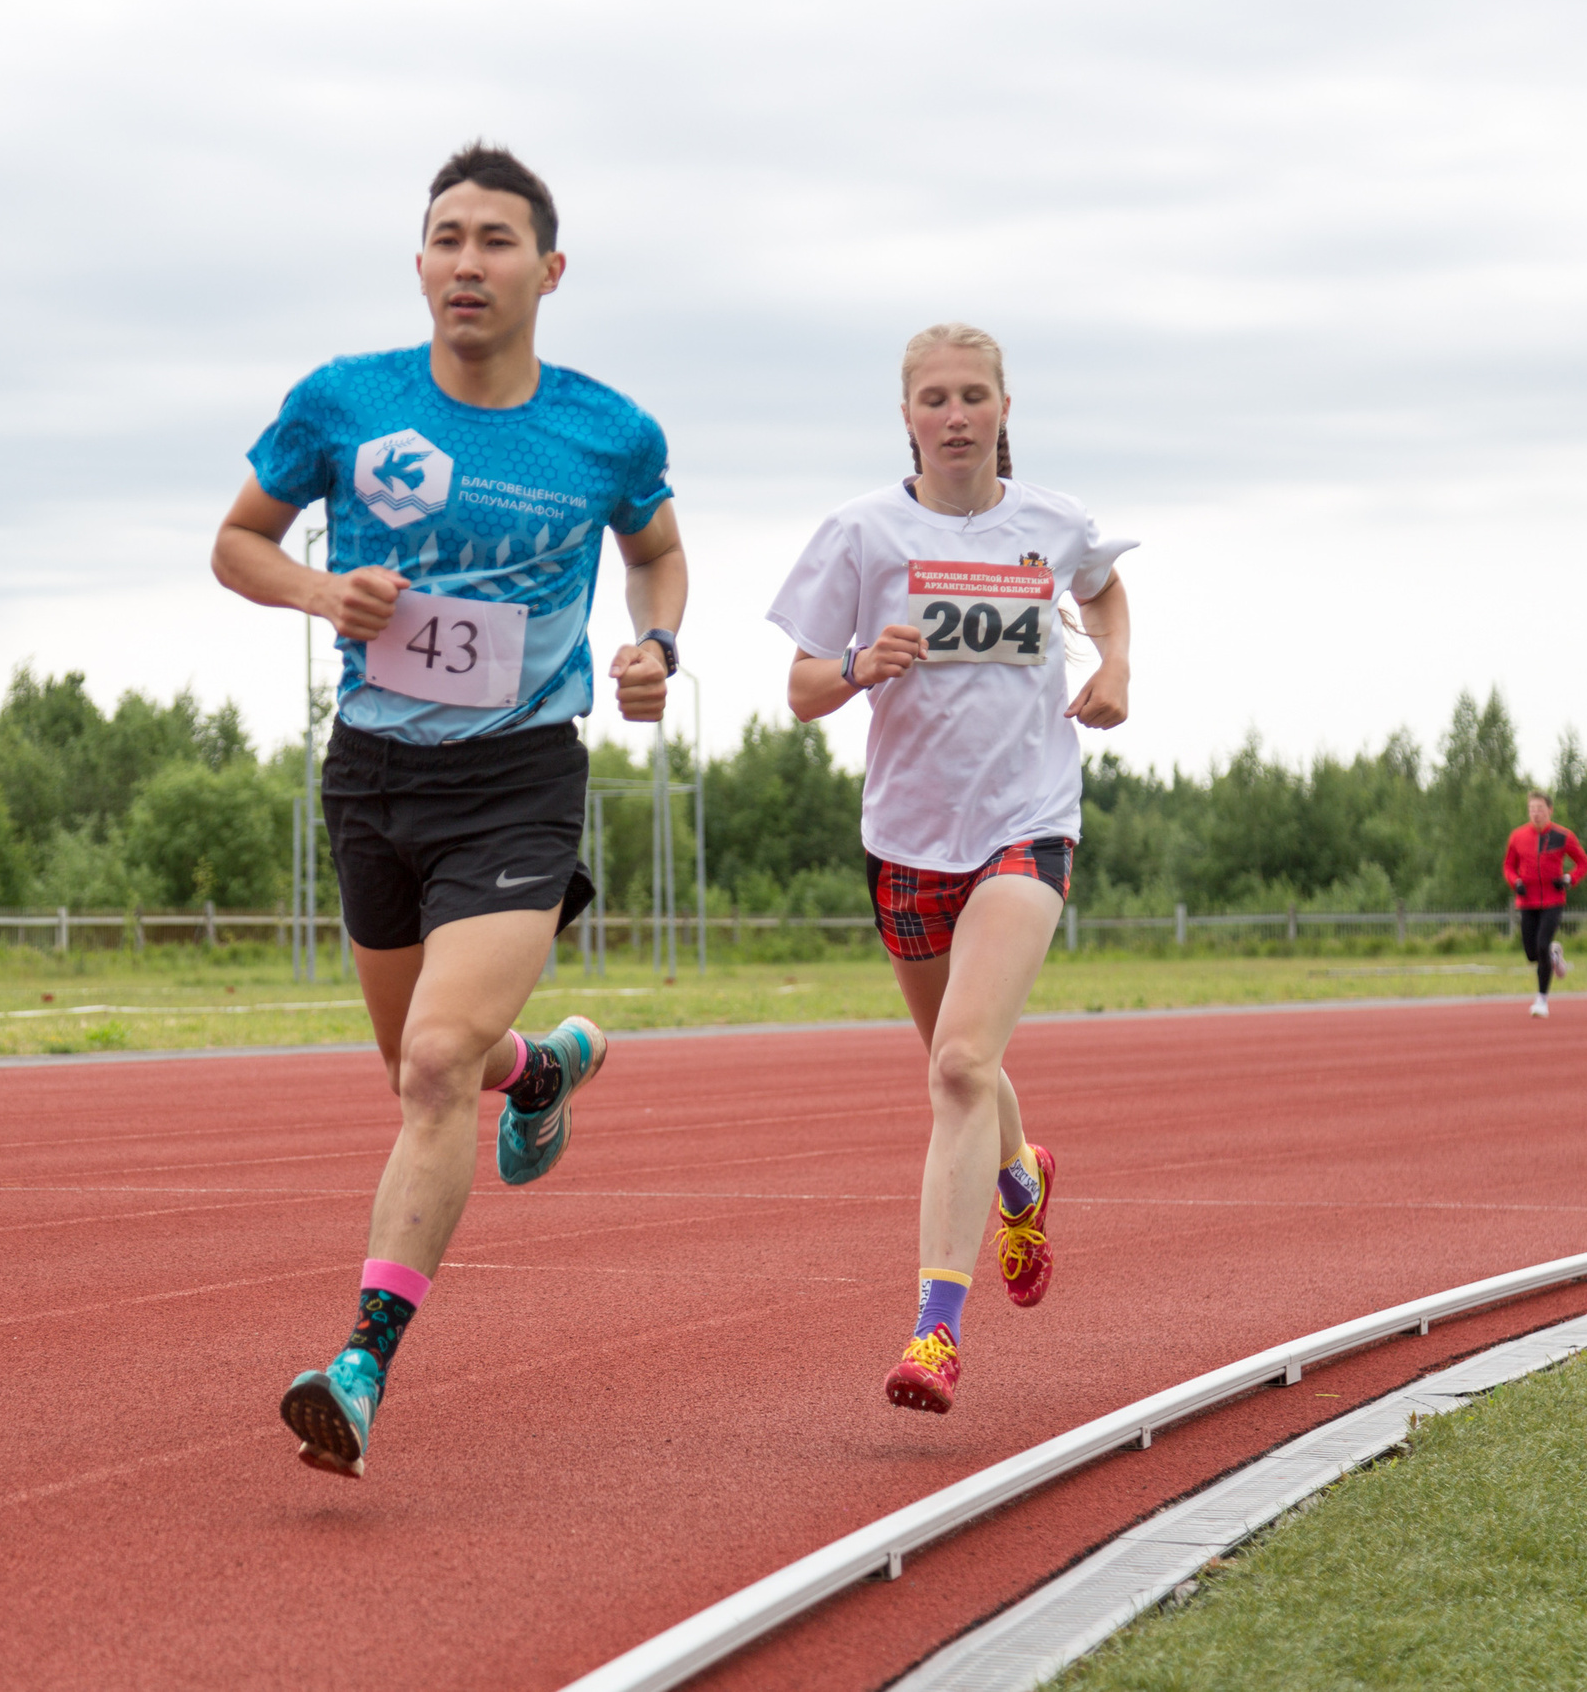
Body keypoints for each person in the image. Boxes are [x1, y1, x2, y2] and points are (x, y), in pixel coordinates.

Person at [211, 143, 688, 1479]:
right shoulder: (343, 402)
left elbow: (655, 550)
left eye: (494, 239)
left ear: (549, 268)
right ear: (420, 262)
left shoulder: (607, 431)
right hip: (373, 773)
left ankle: (359, 1367)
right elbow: (236, 543)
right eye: (446, 238)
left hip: (518, 776)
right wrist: (321, 593)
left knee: (431, 1066)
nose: (467, 262)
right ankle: (538, 1069)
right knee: (429, 1061)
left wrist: (654, 644)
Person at [767, 322, 1133, 1416]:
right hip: (908, 839)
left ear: (1004, 408)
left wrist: (1116, 664)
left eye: (974, 395)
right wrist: (855, 663)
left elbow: (1104, 586)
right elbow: (800, 688)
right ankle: (1021, 1175)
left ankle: (935, 1333)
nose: (956, 415)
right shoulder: (861, 532)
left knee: (963, 1063)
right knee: (958, 1063)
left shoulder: (1053, 523)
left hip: (1027, 822)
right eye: (935, 398)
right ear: (907, 417)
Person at [1504, 791, 1587, 1018]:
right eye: (1532, 809)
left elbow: (1583, 863)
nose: (1536, 813)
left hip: (1553, 900)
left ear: (1550, 810)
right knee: (1532, 954)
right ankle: (1554, 955)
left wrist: (1569, 879)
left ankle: (1541, 1000)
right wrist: (1516, 882)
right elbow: (1508, 866)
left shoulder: (1563, 836)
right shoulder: (1518, 836)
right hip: (1527, 901)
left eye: (1540, 808)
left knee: (1542, 944)